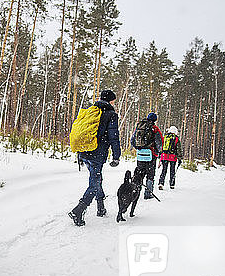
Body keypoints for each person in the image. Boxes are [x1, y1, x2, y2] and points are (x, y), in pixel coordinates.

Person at [69, 89, 121, 226]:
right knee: (94, 182)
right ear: (110, 100)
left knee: (96, 178)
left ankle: (101, 207)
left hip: (84, 151)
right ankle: (79, 210)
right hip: (97, 153)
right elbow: (114, 137)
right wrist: (116, 156)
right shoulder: (111, 114)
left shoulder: (91, 111)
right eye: (113, 101)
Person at [131, 112, 163, 199]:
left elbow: (132, 140)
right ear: (155, 120)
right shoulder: (155, 129)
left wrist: (139, 147)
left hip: (140, 155)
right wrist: (159, 152)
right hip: (151, 155)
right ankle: (148, 194)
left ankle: (136, 192)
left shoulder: (139, 127)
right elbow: (159, 143)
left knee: (139, 174)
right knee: (150, 175)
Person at [158, 125, 182, 190]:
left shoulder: (165, 137)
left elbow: (161, 146)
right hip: (172, 157)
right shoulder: (176, 138)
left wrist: (160, 155)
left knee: (164, 170)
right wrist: (180, 158)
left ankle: (161, 183)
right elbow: (178, 149)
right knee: (172, 171)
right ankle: (172, 184)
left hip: (164, 156)